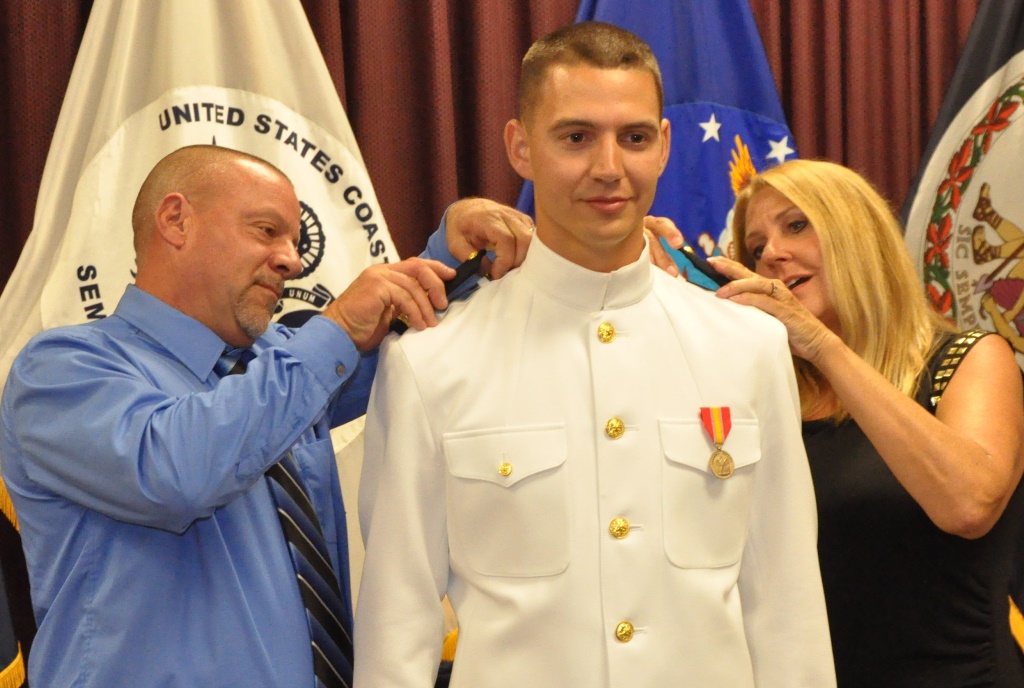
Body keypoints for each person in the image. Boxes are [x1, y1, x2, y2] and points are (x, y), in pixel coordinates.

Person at [354, 22, 835, 688]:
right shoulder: (434, 361)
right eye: (576, 137)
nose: (609, 167)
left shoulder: (747, 346)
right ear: (520, 147)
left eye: (634, 138)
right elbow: (396, 623)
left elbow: (786, 605)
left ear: (665, 146)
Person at [0, 144, 534, 688]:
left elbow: (400, 349)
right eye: (266, 231)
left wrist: (453, 250)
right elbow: (174, 471)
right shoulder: (58, 371)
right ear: (176, 220)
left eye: (297, 242)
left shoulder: (284, 369)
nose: (292, 260)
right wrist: (338, 326)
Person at [707, 158, 1024, 687]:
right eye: (756, 248)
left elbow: (970, 503)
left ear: (859, 233)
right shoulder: (765, 395)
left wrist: (823, 346)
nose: (773, 255)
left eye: (796, 225)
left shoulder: (967, 359)